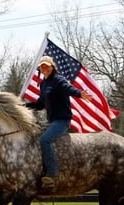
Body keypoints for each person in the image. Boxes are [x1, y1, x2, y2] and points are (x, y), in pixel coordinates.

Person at [25, 55, 94, 189]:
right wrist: (23, 106)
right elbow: (40, 105)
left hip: (62, 121)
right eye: (42, 67)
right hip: (50, 121)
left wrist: (80, 94)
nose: (44, 69)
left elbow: (68, 89)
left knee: (44, 140)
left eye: (47, 66)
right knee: (32, 136)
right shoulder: (44, 84)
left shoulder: (58, 80)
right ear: (40, 69)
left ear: (52, 67)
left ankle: (52, 173)